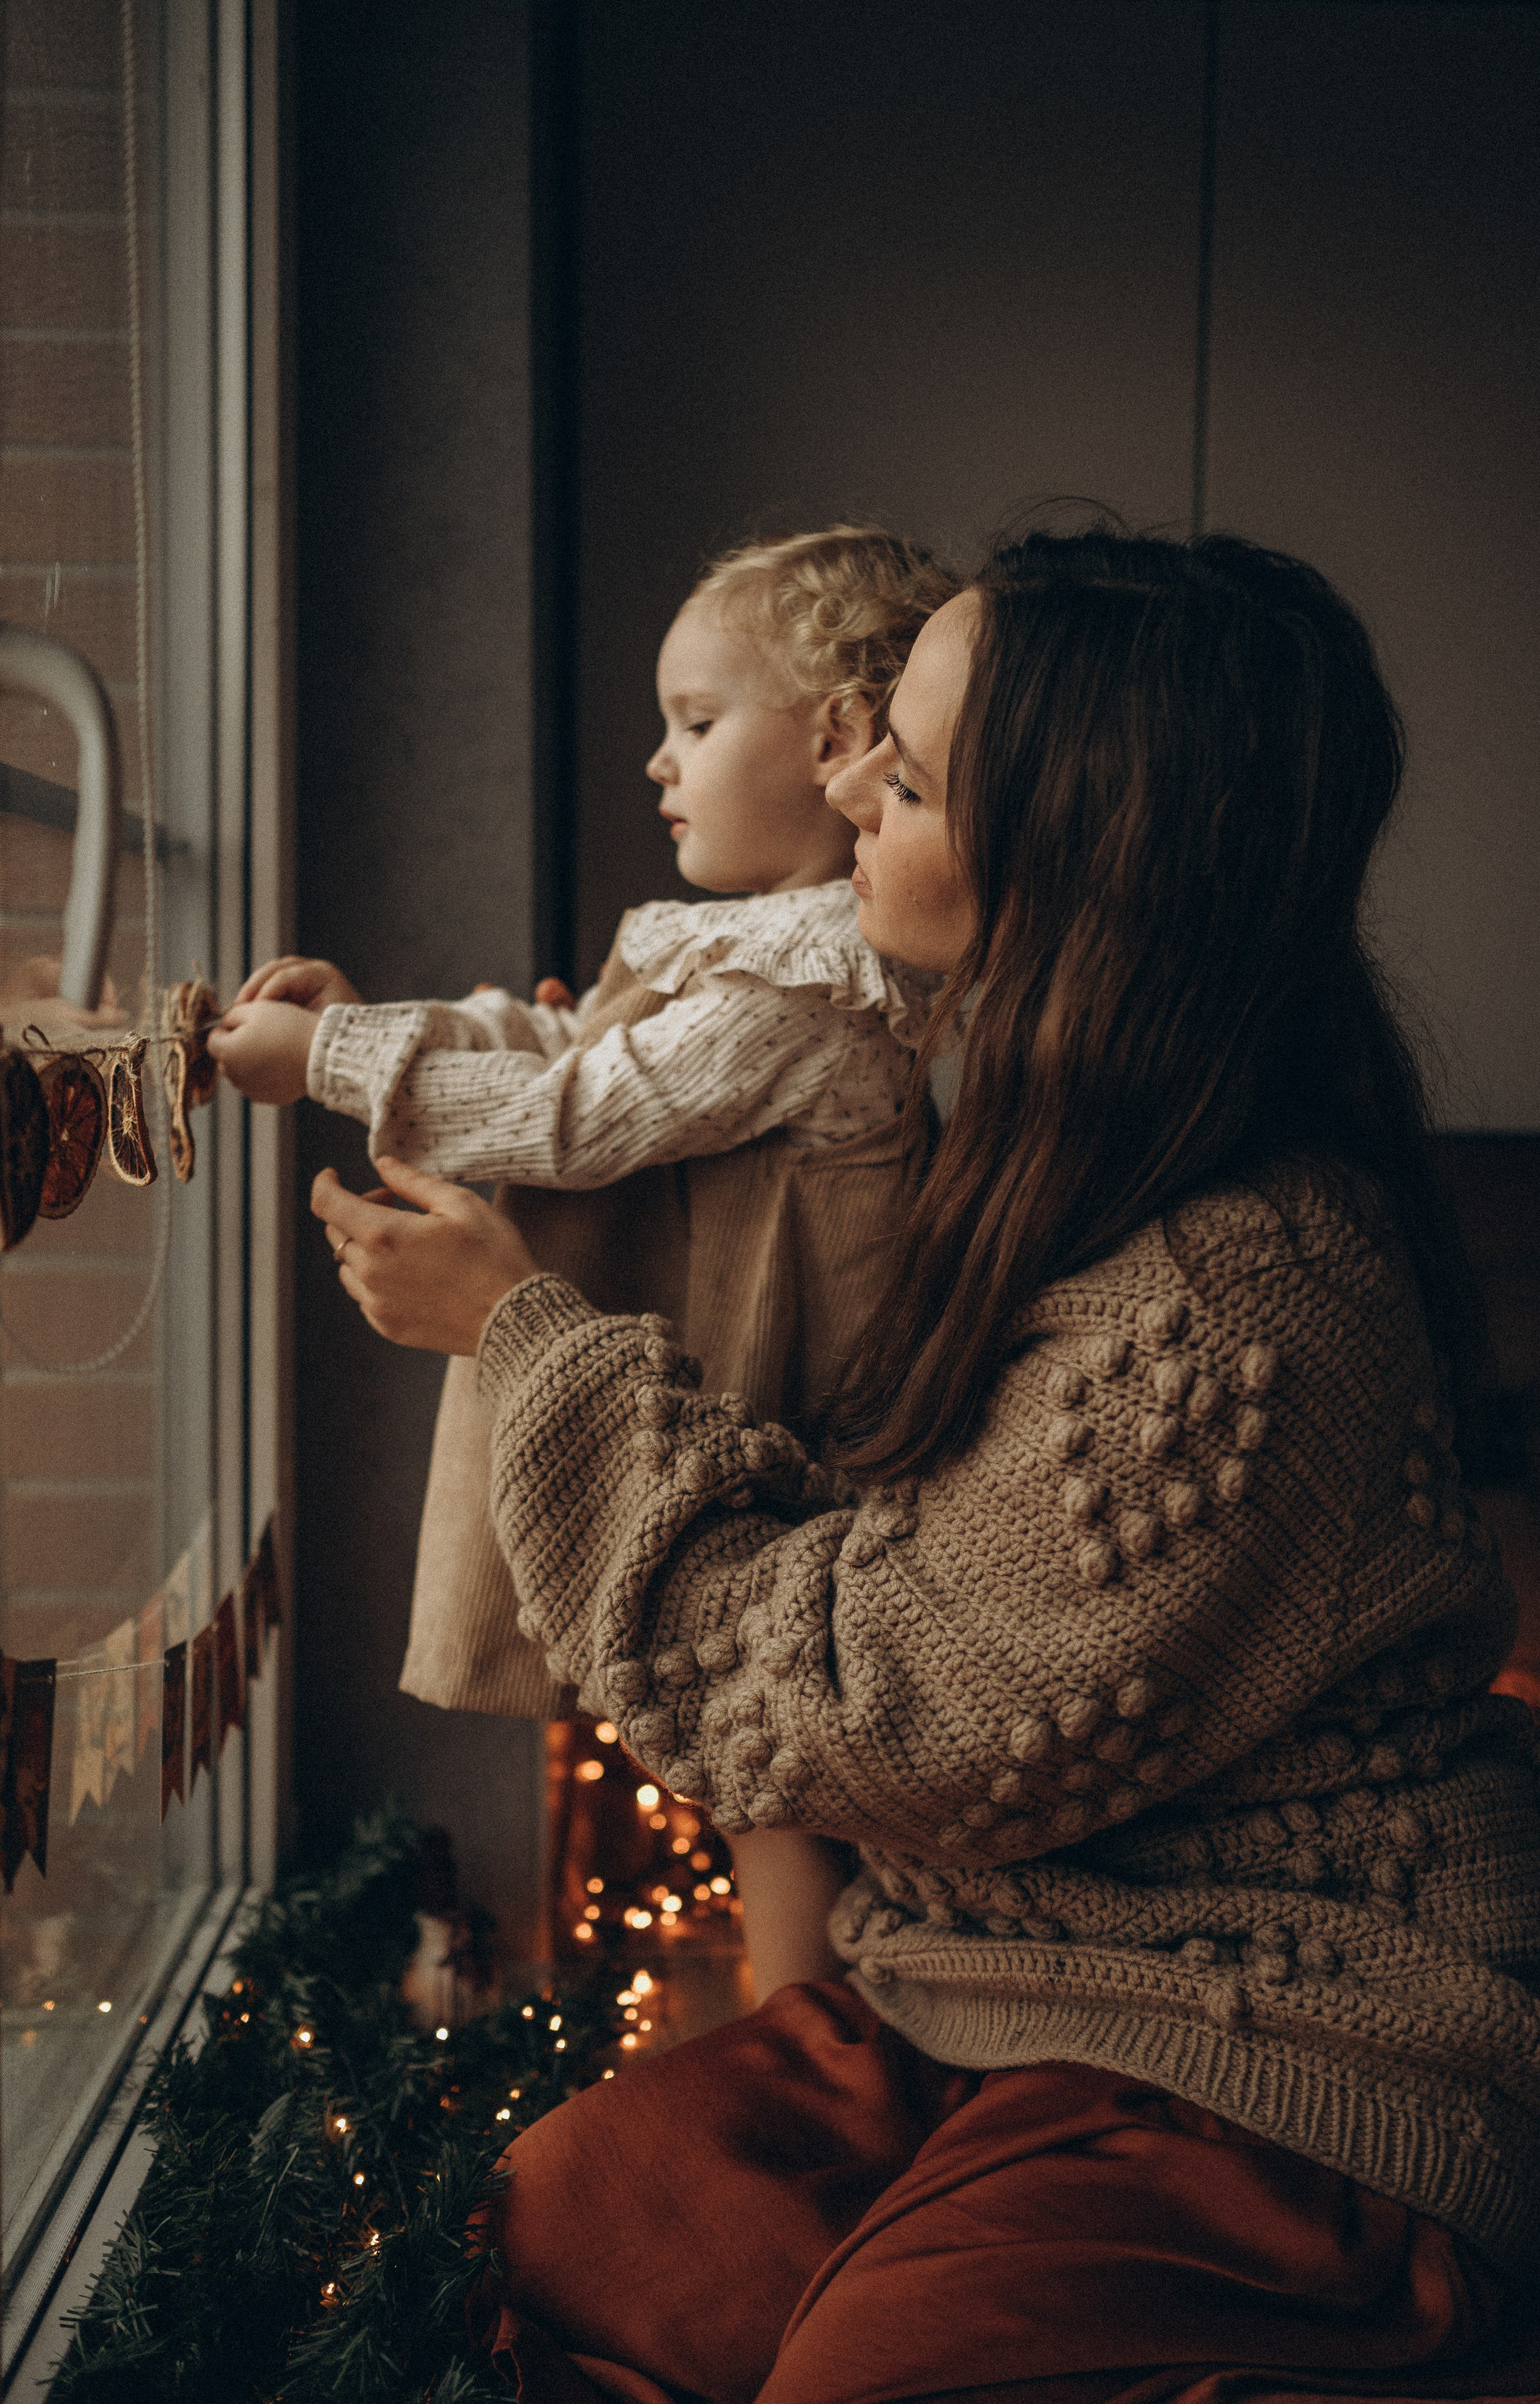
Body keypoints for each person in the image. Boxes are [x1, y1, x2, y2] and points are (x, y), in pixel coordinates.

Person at [312, 527, 1540, 2404]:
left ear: (1088, 856)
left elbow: (874, 1702)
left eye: (911, 767)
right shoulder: (1003, 1128)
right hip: (996, 1967)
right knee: (564, 2218)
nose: (848, 782)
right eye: (866, 737)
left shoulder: (1248, 1287)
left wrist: (522, 1334)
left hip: (1288, 2040)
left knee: (868, 2372)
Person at [210, 527, 958, 2000]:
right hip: (775, 1410)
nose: (655, 764)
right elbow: (575, 1046)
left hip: (810, 1424)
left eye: (692, 722)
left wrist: (337, 1066)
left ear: (830, 737)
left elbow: (583, 1113)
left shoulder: (805, 979)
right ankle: (800, 2038)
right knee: (758, 1782)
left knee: (775, 1784)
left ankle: (799, 2047)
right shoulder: (748, 947)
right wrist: (381, 1026)